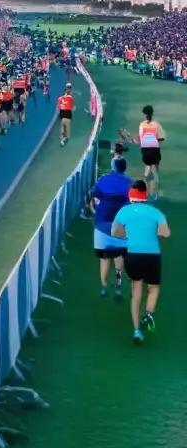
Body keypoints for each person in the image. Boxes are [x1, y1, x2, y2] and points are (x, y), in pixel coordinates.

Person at [111, 180, 170, 343]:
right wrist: (154, 230)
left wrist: (126, 233)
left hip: (132, 255)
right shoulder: (155, 212)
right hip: (152, 256)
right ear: (145, 194)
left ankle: (137, 330)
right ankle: (148, 313)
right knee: (153, 288)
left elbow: (115, 231)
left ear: (131, 194)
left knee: (136, 293)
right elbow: (166, 233)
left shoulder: (124, 211)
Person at [91, 157, 132, 299]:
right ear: (124, 168)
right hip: (120, 224)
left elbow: (95, 199)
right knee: (118, 256)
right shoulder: (129, 183)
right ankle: (119, 286)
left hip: (102, 222)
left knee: (104, 258)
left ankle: (103, 287)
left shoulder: (103, 180)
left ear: (113, 167)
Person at [138, 104, 166, 202]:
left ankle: (145, 192)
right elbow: (161, 137)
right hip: (154, 150)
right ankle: (154, 193)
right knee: (155, 172)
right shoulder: (156, 125)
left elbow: (141, 138)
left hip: (145, 151)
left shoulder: (142, 125)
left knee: (147, 170)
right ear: (152, 113)